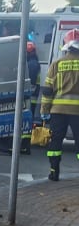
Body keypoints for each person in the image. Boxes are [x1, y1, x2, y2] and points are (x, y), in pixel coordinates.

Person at [40, 29, 79, 181]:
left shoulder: (56, 64)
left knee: (56, 141)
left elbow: (48, 90)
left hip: (58, 110)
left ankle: (53, 171)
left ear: (67, 46)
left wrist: (44, 110)